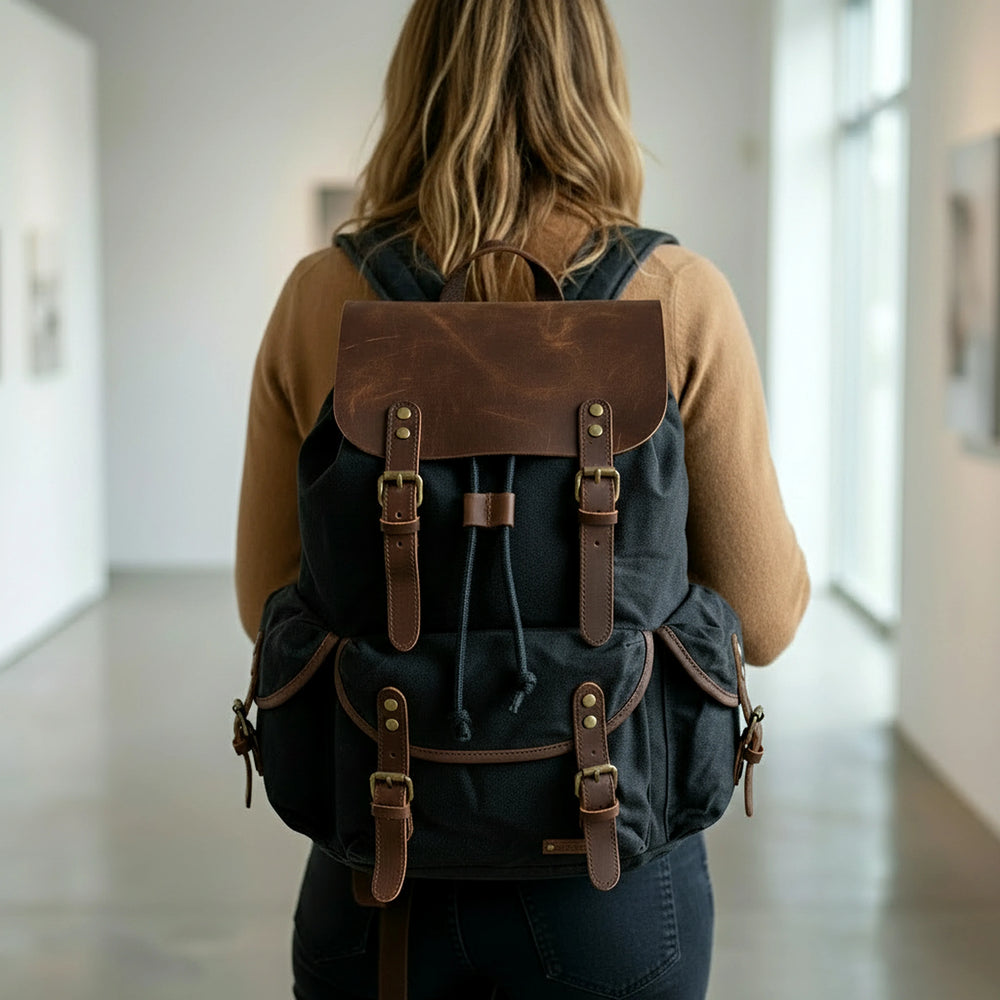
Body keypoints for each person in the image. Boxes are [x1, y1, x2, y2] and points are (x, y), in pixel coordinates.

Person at [235, 1, 810, 997]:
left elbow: (265, 602)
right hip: (610, 878)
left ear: (416, 82)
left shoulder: (321, 297)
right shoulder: (675, 294)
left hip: (381, 867)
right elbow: (765, 618)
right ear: (597, 87)